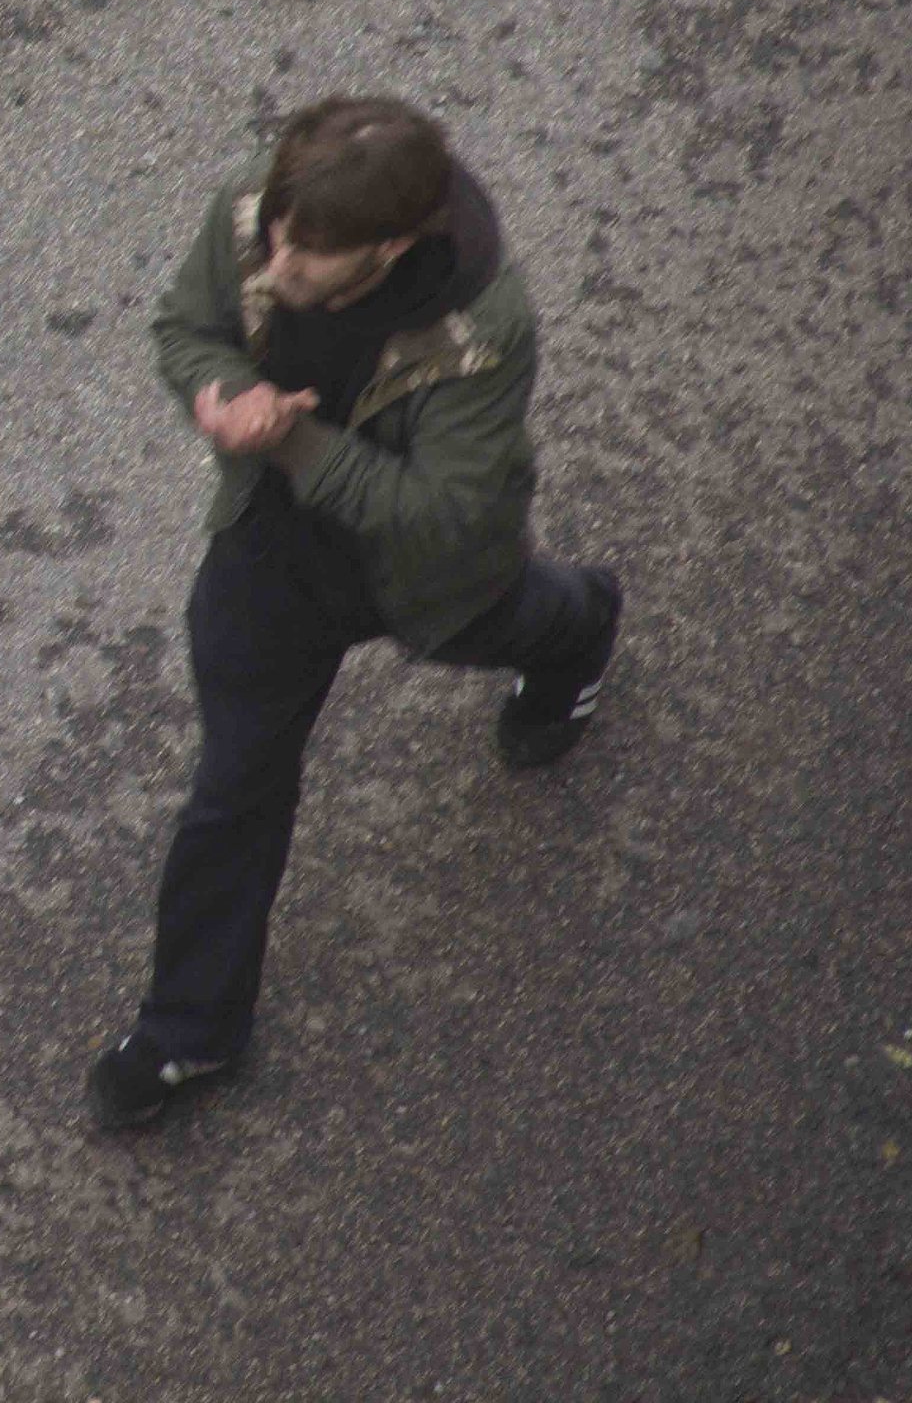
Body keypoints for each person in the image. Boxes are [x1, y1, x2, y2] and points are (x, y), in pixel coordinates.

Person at [87, 96, 623, 1131]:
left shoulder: (484, 324)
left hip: (418, 569)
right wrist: (214, 394)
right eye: (276, 238)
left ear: (395, 245)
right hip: (273, 552)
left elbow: (442, 516)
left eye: (309, 259)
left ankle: (584, 622)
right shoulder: (265, 205)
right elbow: (185, 327)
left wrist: (289, 442)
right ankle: (192, 1028)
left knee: (509, 619)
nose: (277, 266)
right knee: (236, 783)